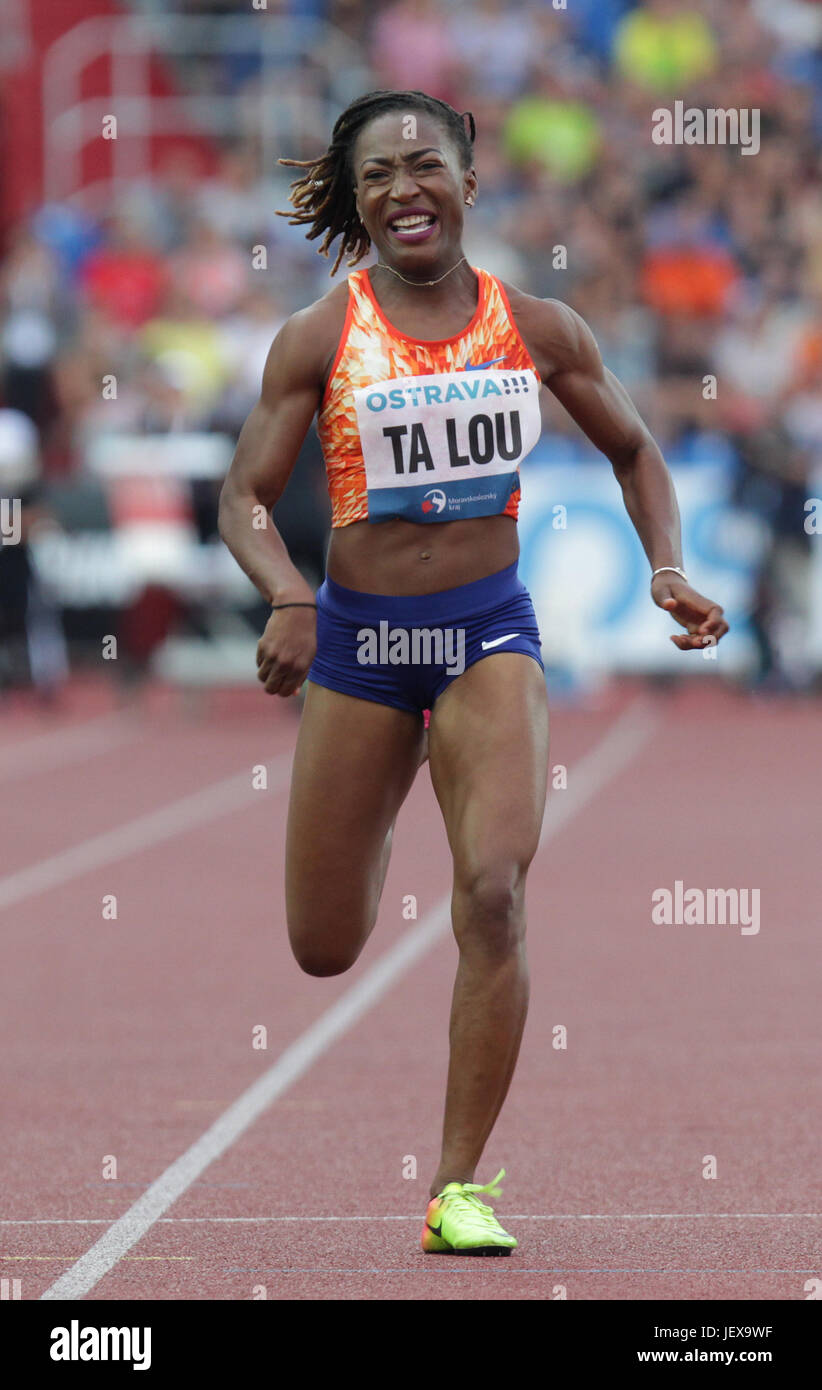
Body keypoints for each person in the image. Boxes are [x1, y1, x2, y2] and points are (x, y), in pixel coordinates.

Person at [217, 90, 729, 1256]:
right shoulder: (319, 334)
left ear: (467, 182)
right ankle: (388, 788)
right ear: (357, 205)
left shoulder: (537, 327)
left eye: (424, 164)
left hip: (487, 633)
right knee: (324, 944)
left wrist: (667, 566)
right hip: (361, 645)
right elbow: (241, 494)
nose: (405, 188)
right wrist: (292, 594)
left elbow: (637, 448)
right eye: (380, 176)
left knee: (493, 892)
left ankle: (458, 1187)